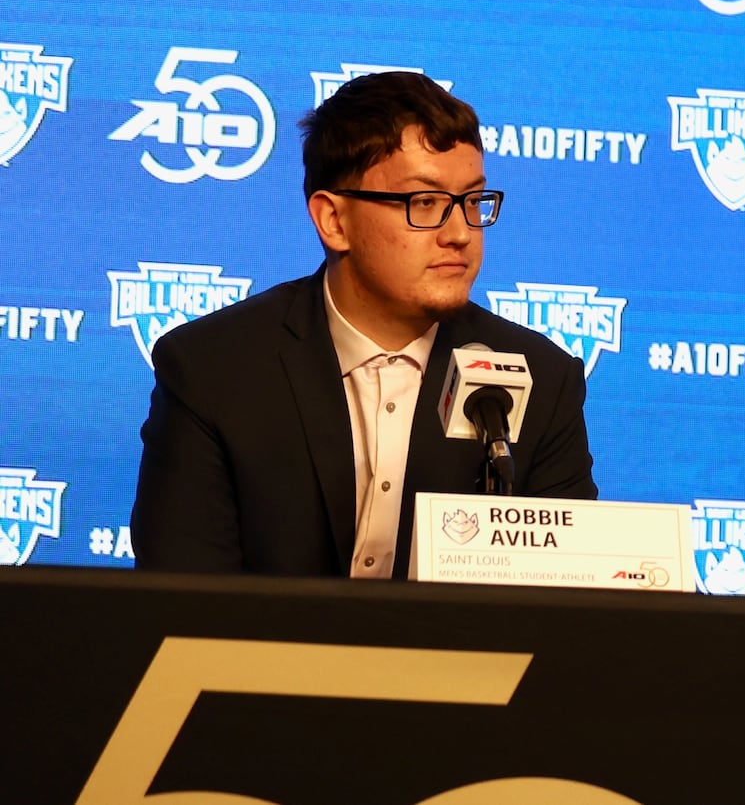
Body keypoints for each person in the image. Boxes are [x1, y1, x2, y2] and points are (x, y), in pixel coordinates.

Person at [131, 72, 597, 577]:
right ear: (334, 220)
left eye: (472, 202)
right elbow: (187, 603)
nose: (460, 234)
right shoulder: (213, 370)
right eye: (426, 203)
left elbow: (559, 608)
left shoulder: (543, 380)